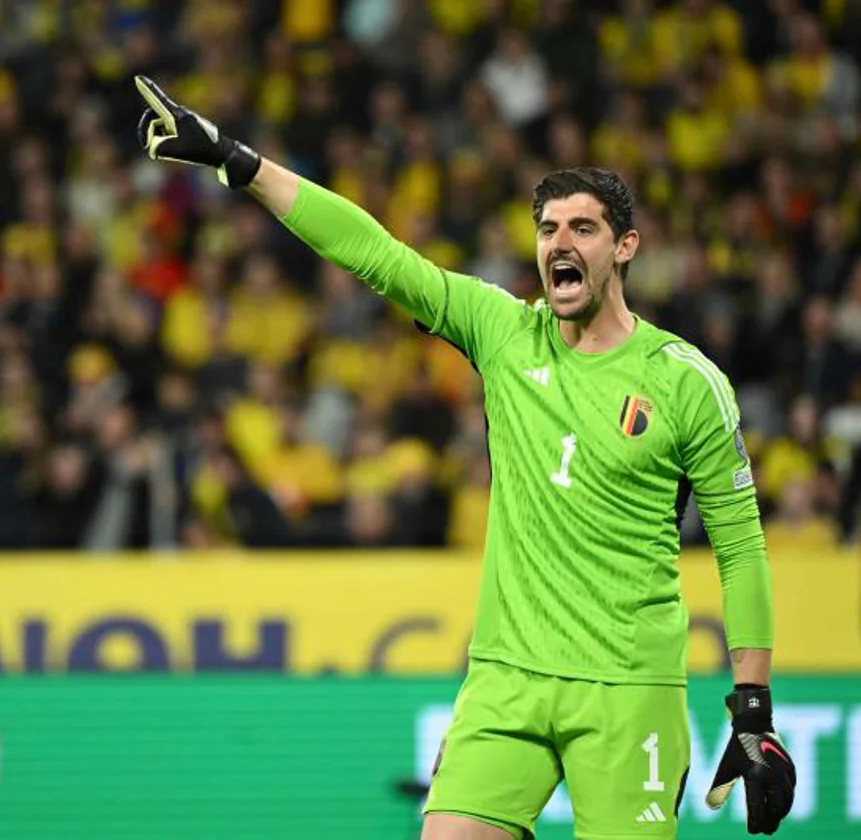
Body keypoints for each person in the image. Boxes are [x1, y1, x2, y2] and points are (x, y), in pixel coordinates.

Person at [133, 77, 797, 839]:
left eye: (583, 228)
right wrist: (240, 163)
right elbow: (374, 254)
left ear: (625, 247)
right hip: (507, 679)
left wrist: (754, 712)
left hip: (628, 690)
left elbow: (741, 546)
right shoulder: (502, 333)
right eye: (548, 228)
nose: (561, 244)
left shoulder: (688, 382)